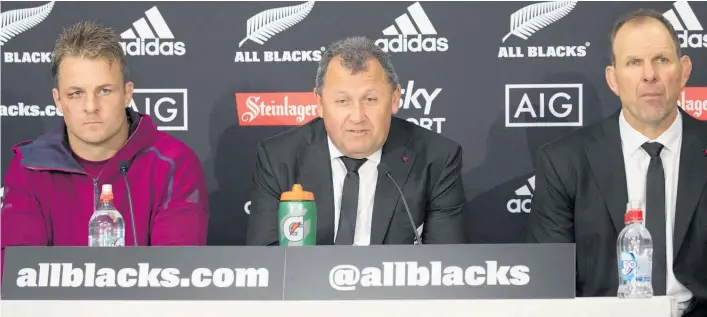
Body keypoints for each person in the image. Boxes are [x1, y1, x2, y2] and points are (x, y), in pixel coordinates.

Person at [526, 9, 705, 317]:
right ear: (613, 79)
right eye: (634, 62)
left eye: (661, 60)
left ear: (684, 69)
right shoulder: (564, 161)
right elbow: (549, 284)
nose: (650, 75)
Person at [1, 22, 209, 272]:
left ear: (127, 93)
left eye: (104, 91)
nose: (91, 106)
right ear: (58, 100)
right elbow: (17, 277)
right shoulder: (29, 166)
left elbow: (176, 276)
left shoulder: (174, 163)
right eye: (76, 93)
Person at [246, 36, 466, 246]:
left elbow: (443, 266)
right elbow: (267, 263)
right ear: (320, 103)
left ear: (395, 98)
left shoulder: (436, 159)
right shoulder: (279, 158)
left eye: (370, 99)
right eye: (342, 101)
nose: (358, 116)